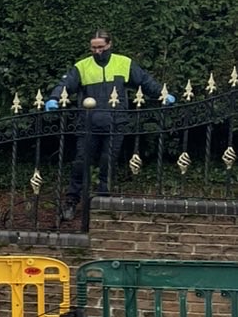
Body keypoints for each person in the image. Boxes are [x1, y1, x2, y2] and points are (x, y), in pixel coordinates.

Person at [45, 29, 174, 220]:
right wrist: (54, 97)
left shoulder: (123, 63)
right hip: (88, 123)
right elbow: (65, 85)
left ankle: (102, 201)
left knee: (108, 163)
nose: (97, 51)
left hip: (116, 122)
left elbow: (145, 81)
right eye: (93, 47)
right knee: (80, 163)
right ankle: (71, 201)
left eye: (101, 47)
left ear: (109, 44)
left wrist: (162, 94)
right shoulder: (82, 66)